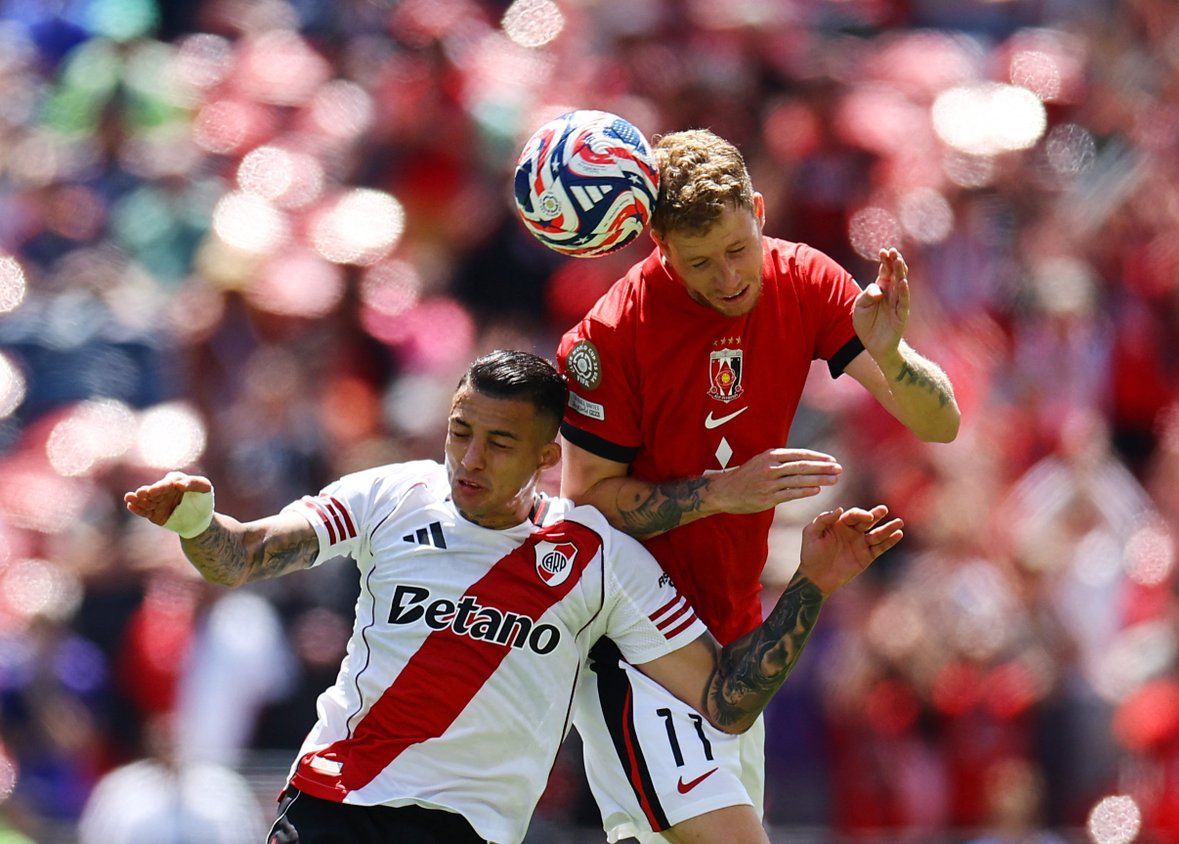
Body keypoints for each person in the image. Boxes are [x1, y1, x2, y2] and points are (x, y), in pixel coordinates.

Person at [123, 350, 903, 844]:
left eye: (498, 443)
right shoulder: (393, 494)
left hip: (470, 831)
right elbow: (241, 556)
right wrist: (194, 517)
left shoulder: (599, 559)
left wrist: (812, 585)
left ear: (546, 455)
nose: (468, 458)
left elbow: (726, 699)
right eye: (460, 431)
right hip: (336, 803)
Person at [556, 129, 960, 843]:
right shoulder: (611, 334)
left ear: (760, 212)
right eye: (699, 262)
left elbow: (939, 423)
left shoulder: (804, 280)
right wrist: (717, 493)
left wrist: (892, 353)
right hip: (634, 641)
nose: (728, 278)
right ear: (658, 246)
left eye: (737, 250)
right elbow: (585, 502)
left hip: (736, 638)